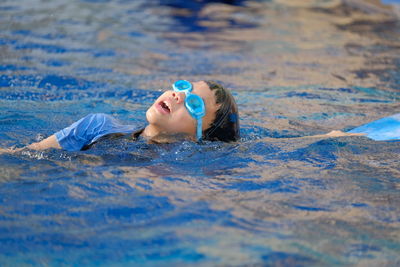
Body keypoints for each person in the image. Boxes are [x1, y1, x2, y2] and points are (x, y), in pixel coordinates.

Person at [0, 80, 240, 153]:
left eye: (193, 103)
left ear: (202, 135)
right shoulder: (97, 126)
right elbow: (24, 156)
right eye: (183, 88)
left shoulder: (178, 173)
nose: (178, 96)